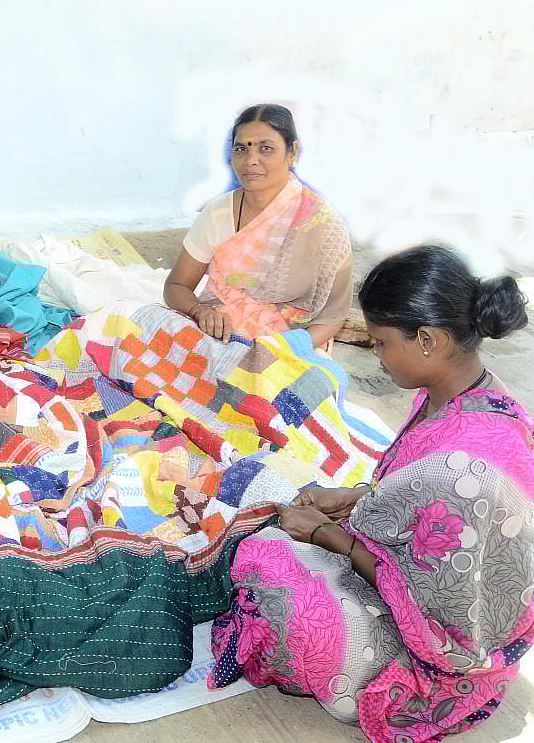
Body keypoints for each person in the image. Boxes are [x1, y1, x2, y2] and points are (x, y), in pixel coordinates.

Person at [209, 245, 532, 742]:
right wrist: (360, 495)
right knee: (272, 499)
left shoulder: (465, 470)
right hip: (430, 585)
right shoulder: (468, 394)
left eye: (381, 343)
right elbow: (414, 497)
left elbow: (433, 603)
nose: (376, 356)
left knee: (275, 579)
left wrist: (324, 534)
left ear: (427, 340)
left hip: (447, 656)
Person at [164, 104, 352, 348]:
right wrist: (200, 311)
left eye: (266, 149)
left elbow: (332, 316)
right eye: (241, 149)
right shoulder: (218, 213)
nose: (251, 160)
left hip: (292, 343)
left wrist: (285, 349)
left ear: (292, 153)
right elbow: (177, 286)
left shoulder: (322, 223)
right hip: (217, 334)